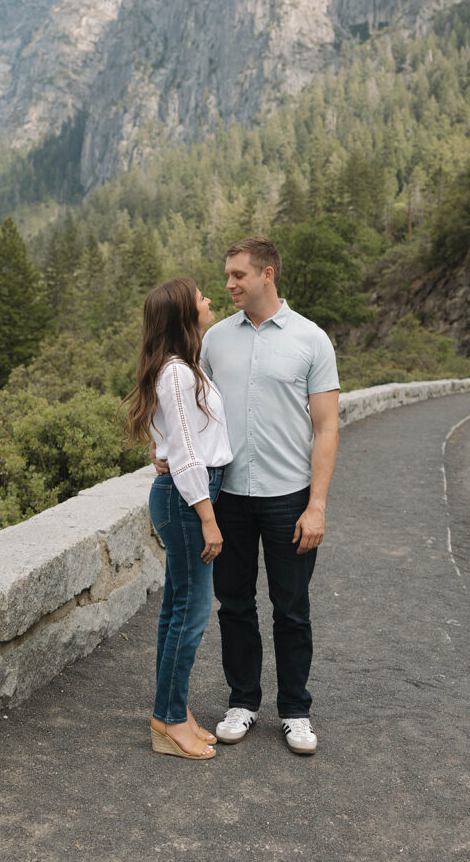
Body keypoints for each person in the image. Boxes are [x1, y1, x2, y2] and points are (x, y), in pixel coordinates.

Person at [154, 238, 340, 754]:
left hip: (289, 497)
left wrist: (317, 505)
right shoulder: (213, 340)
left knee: (292, 607)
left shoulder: (311, 340)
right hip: (228, 497)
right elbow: (181, 402)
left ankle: (296, 710)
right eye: (228, 275)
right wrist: (161, 446)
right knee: (233, 605)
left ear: (268, 274)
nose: (230, 284)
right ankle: (243, 701)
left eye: (238, 275)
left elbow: (326, 429)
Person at [125, 277, 232, 760]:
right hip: (190, 499)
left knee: (176, 610)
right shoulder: (178, 374)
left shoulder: (177, 368)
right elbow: (187, 454)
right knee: (190, 614)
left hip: (185, 495)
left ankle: (173, 710)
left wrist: (158, 446)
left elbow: (169, 436)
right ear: (184, 315)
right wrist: (208, 518)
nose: (209, 299)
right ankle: (169, 722)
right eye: (201, 297)